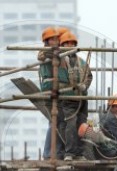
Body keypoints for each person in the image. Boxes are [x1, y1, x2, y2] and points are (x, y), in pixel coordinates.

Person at [57, 31, 92, 161]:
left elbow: (89, 76)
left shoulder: (82, 62)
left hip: (82, 99)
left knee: (82, 126)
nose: (70, 45)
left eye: (72, 43)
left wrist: (85, 85)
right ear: (62, 45)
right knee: (70, 125)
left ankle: (81, 153)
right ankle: (70, 153)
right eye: (67, 43)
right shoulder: (59, 62)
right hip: (68, 99)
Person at [39, 27, 66, 160]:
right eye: (53, 39)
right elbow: (43, 56)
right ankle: (49, 153)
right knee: (54, 121)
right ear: (47, 41)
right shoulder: (46, 52)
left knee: (58, 122)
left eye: (57, 38)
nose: (56, 41)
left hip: (57, 90)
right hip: (50, 90)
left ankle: (56, 151)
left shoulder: (58, 53)